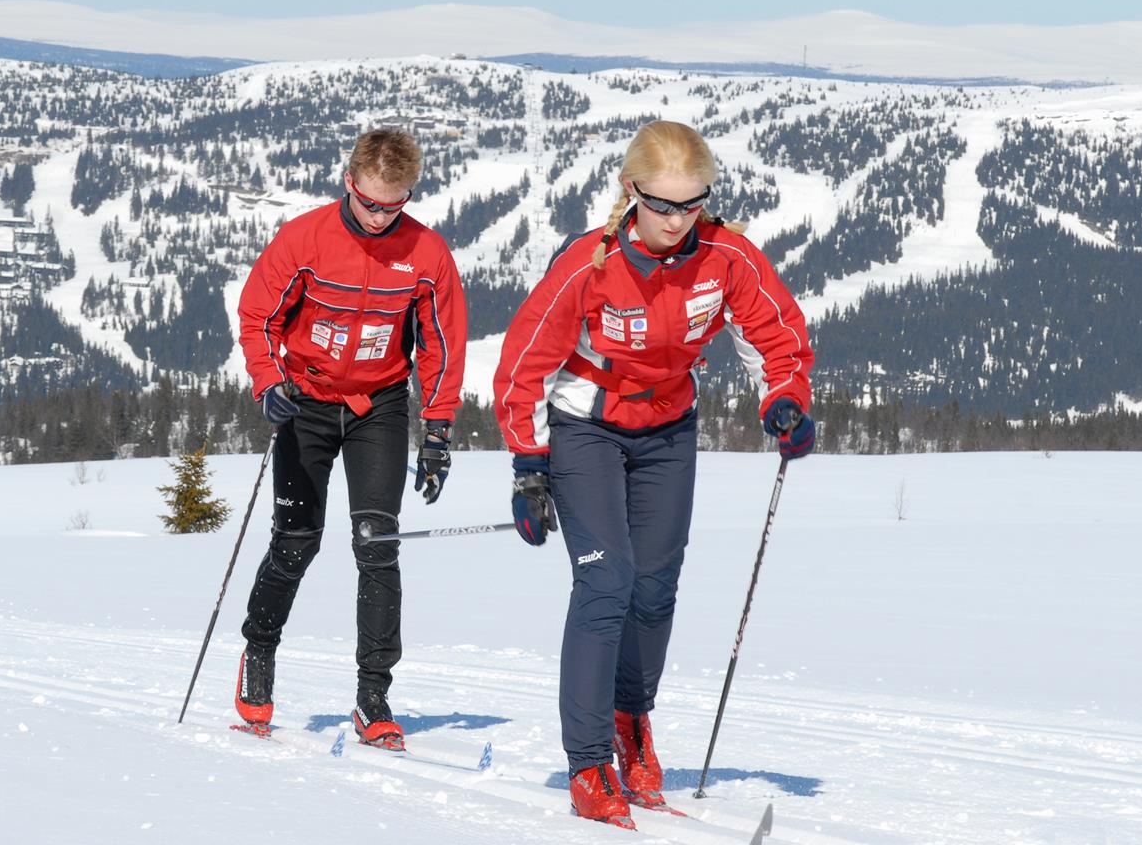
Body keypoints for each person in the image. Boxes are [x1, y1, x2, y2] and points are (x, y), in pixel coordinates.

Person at [492, 120, 815, 829]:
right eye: (662, 204)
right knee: (606, 583)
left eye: (692, 203)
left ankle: (630, 720)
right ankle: (587, 762)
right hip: (586, 427)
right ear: (629, 190)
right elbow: (523, 364)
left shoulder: (726, 257)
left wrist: (785, 400)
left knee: (655, 586)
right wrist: (528, 464)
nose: (676, 220)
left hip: (668, 428)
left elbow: (776, 335)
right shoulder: (589, 264)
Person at [232, 127, 468, 750]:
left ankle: (373, 696)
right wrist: (268, 382)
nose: (382, 217)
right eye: (370, 204)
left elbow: (440, 346)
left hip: (379, 405)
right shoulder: (304, 239)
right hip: (306, 401)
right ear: (349, 182)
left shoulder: (426, 253)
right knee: (297, 543)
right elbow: (259, 316)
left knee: (378, 544)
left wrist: (438, 429)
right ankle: (258, 652)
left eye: (396, 205)